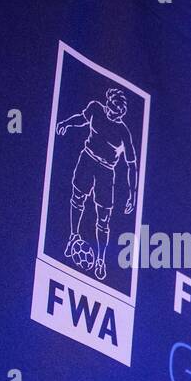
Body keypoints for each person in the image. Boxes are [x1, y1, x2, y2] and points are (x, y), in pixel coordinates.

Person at [56, 87, 138, 281]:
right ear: (107, 103)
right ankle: (73, 237)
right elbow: (81, 119)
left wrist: (132, 194)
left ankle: (101, 260)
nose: (111, 112)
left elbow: (131, 164)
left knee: (104, 219)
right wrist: (66, 123)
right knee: (77, 199)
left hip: (106, 171)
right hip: (87, 159)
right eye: (109, 107)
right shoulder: (95, 109)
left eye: (116, 112)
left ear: (121, 113)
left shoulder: (123, 132)